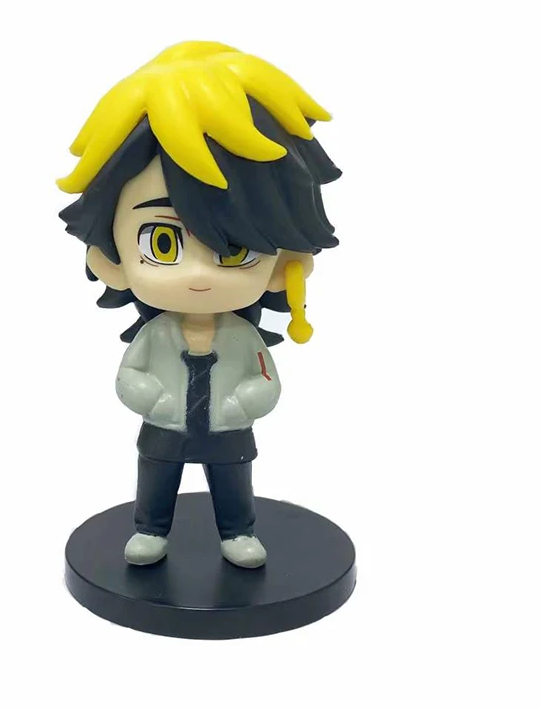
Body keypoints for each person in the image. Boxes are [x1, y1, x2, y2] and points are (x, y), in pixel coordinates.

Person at [57, 41, 341, 568]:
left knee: (233, 483)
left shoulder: (242, 339)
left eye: (233, 249)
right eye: (162, 243)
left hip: (228, 431)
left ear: (283, 264)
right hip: (164, 431)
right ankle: (151, 529)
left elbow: (266, 379)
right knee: (156, 480)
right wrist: (149, 396)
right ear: (110, 259)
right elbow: (128, 375)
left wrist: (245, 403)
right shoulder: (156, 337)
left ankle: (237, 531)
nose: (198, 275)